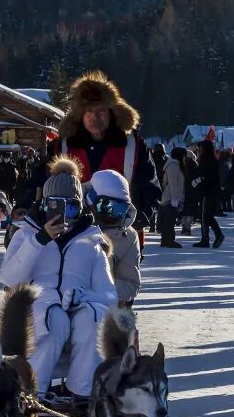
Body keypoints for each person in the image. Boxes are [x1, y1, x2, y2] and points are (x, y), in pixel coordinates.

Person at [1, 156, 117, 409]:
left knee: (93, 318)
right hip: (38, 303)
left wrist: (85, 297)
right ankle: (33, 390)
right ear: (44, 204)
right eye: (55, 204)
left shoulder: (91, 242)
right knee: (55, 321)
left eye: (71, 207)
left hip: (79, 303)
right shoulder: (26, 234)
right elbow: (9, 278)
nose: (64, 213)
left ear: (80, 207)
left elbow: (109, 295)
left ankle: (82, 391)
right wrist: (39, 241)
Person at [59, 71, 161, 244]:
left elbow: (150, 187)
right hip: (72, 236)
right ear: (80, 115)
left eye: (101, 110)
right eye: (89, 111)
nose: (95, 116)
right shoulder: (64, 146)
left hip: (122, 235)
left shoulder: (133, 145)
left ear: (112, 112)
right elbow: (42, 181)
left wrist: (141, 216)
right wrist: (23, 206)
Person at [86, 169, 141, 306]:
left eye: (121, 209)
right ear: (91, 201)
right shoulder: (73, 223)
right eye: (106, 206)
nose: (113, 215)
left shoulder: (128, 237)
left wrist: (97, 286)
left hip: (103, 306)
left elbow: (130, 285)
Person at [193, 140, 224, 248]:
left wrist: (199, 180)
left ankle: (209, 238)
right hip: (210, 191)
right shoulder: (209, 160)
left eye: (201, 148)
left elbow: (208, 176)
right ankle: (211, 237)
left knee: (205, 215)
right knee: (207, 215)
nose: (199, 150)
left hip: (208, 191)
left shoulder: (208, 161)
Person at [158, 147, 186, 248]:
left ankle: (165, 240)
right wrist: (175, 199)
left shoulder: (173, 165)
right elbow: (173, 183)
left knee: (168, 220)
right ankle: (169, 240)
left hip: (169, 196)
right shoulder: (174, 166)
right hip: (170, 197)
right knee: (170, 220)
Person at [181, 149, 201, 235]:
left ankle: (184, 226)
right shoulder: (195, 166)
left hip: (183, 190)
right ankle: (188, 227)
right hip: (193, 190)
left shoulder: (182, 165)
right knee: (191, 209)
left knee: (183, 209)